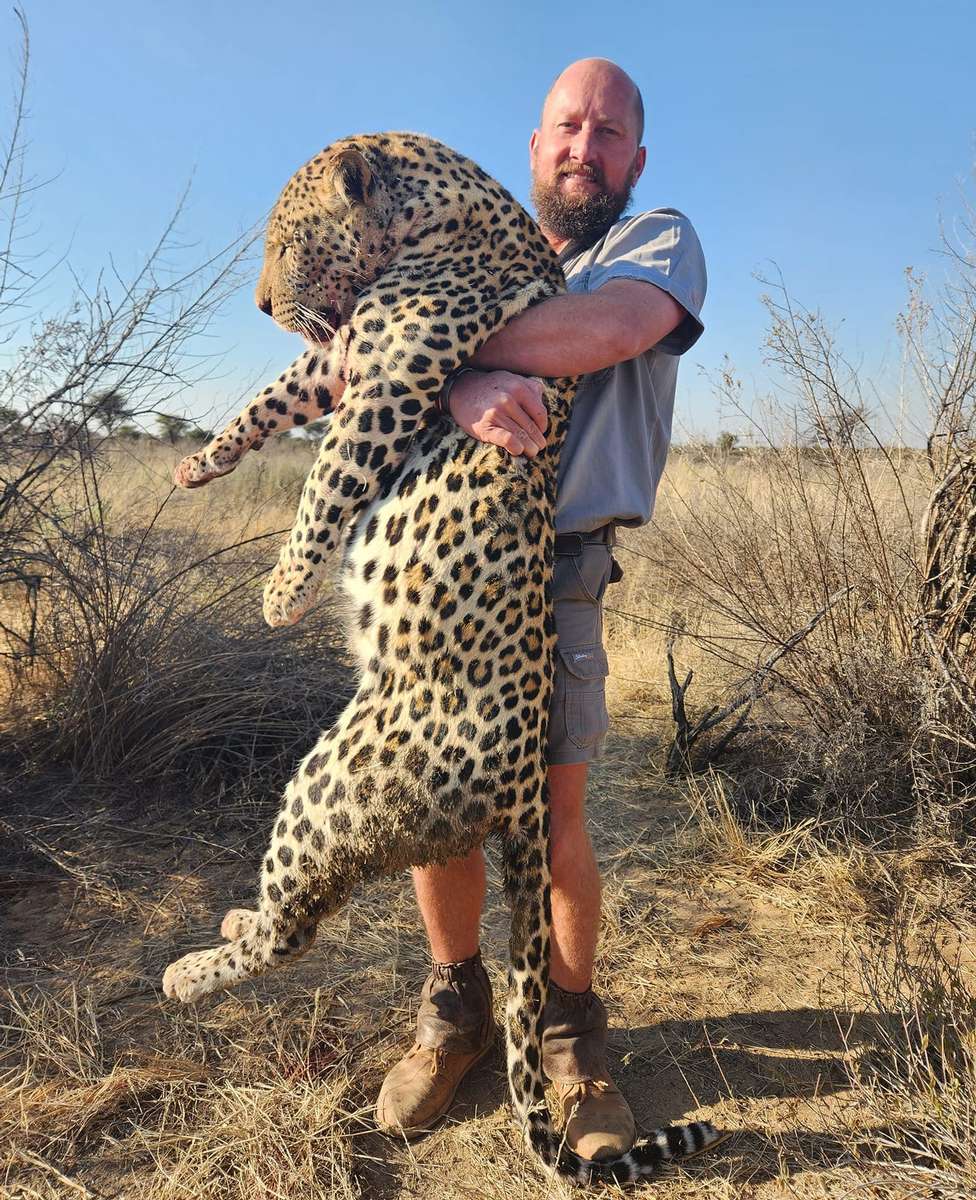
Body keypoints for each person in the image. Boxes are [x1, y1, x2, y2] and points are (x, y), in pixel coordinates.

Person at [375, 57, 707, 1161]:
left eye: (608, 132)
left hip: (556, 569)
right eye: (567, 126)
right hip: (434, 560)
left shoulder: (655, 243)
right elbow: (333, 320)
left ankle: (569, 1037)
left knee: (551, 821)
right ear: (532, 146)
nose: (585, 148)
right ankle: (459, 1010)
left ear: (636, 159)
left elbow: (599, 333)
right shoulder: (465, 253)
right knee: (434, 805)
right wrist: (459, 386)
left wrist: (438, 352)